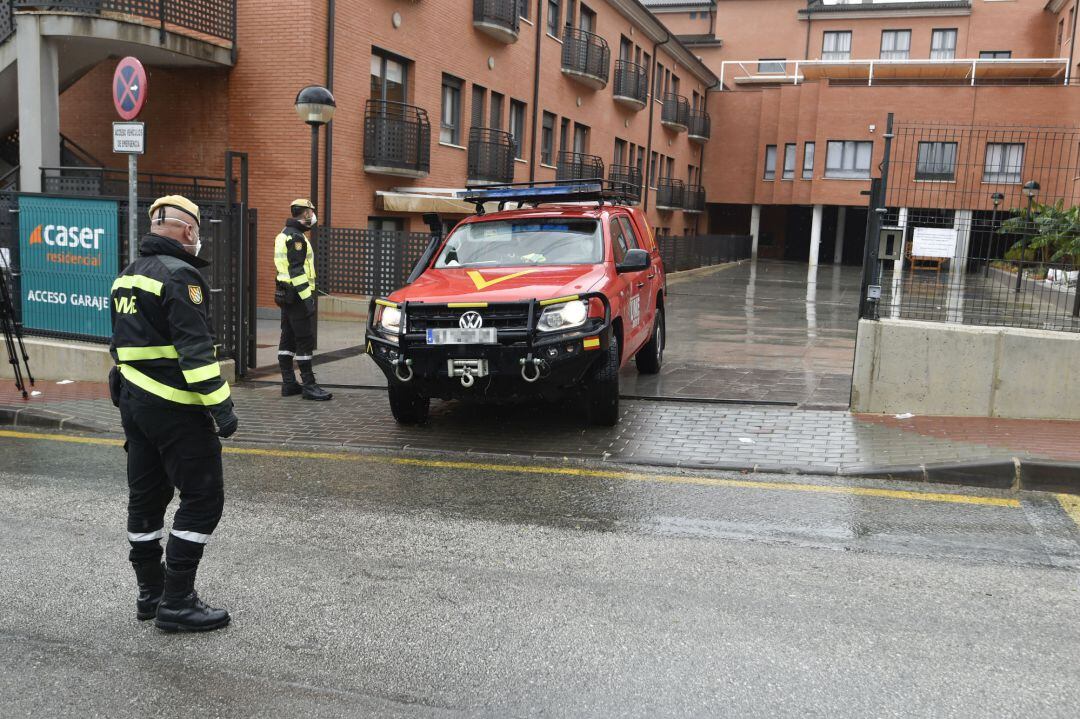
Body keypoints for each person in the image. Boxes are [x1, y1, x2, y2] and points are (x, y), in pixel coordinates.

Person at [109, 194, 237, 633]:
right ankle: (178, 602)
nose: (198, 238)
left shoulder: (126, 277)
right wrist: (222, 408)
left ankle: (151, 594)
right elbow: (196, 353)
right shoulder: (182, 276)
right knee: (203, 498)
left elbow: (122, 345)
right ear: (187, 230)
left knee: (146, 499)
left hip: (134, 407)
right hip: (176, 408)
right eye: (197, 231)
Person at [274, 199, 332, 400]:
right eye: (311, 212)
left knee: (288, 337)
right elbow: (297, 270)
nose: (313, 216)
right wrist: (308, 299)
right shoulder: (296, 238)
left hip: (285, 294)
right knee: (304, 339)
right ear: (306, 213)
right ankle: (309, 385)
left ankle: (289, 383)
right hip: (298, 295)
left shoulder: (284, 233)